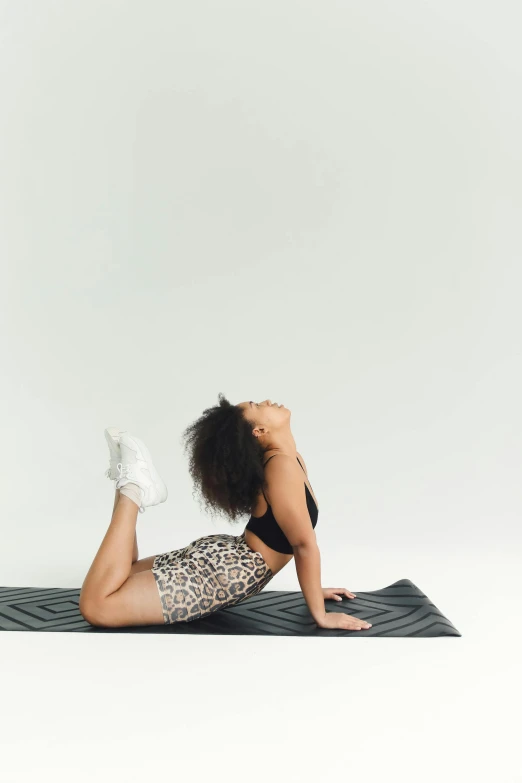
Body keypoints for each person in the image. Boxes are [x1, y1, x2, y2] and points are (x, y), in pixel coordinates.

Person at [78, 394, 372, 632]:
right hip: (228, 573)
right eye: (258, 406)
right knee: (97, 605)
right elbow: (303, 545)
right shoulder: (282, 467)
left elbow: (296, 540)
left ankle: (129, 478)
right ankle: (133, 486)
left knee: (120, 576)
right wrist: (320, 615)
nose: (267, 400)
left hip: (225, 558)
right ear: (259, 431)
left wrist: (313, 588)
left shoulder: (288, 460)